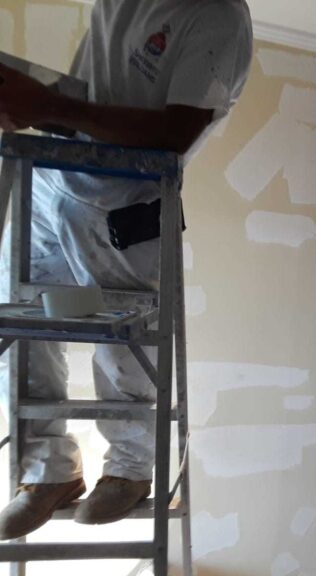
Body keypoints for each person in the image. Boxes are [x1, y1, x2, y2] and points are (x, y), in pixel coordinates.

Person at [0, 0, 252, 539]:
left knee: (123, 345)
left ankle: (129, 470)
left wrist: (47, 105)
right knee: (22, 328)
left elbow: (176, 131)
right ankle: (46, 474)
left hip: (123, 202)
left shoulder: (217, 17)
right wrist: (30, 107)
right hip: (49, 179)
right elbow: (90, 98)